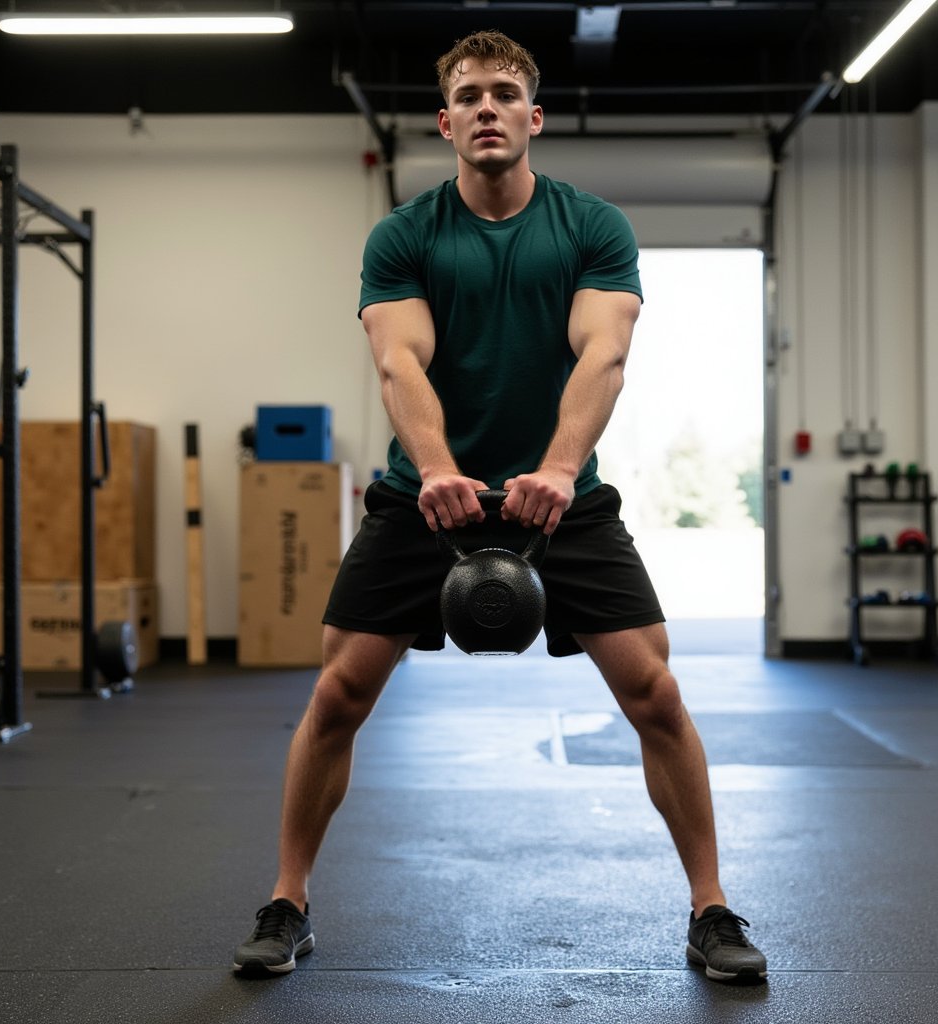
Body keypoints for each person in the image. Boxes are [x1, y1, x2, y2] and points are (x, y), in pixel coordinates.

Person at [233, 29, 767, 985]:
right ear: (444, 122)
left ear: (535, 117)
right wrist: (437, 470)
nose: (487, 108)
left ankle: (712, 908)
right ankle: (288, 901)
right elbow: (401, 360)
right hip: (420, 498)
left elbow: (602, 353)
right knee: (338, 695)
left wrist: (560, 471)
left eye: (505, 93)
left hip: (561, 498)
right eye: (469, 95)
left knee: (656, 695)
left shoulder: (591, 227)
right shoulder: (405, 235)